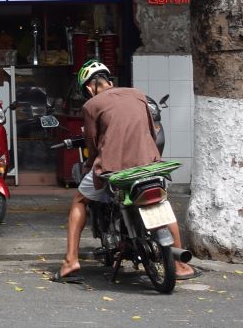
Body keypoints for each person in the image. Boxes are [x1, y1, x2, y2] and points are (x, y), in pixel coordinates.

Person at [53, 60, 197, 283]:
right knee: (163, 203)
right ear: (109, 80)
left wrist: (89, 165)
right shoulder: (138, 94)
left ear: (90, 88)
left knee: (79, 200)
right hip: (150, 163)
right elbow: (152, 130)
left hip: (115, 168)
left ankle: (71, 260)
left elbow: (92, 144)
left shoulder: (92, 106)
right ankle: (180, 264)